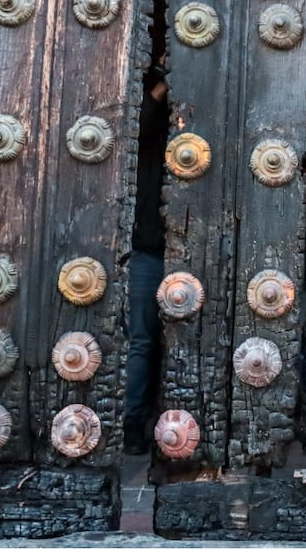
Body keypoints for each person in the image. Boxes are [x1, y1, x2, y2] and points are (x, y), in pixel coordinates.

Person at [124, 62, 170, 455]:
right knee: (141, 341)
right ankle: (133, 426)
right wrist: (162, 86)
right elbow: (135, 130)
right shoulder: (151, 130)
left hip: (198, 253)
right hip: (148, 251)